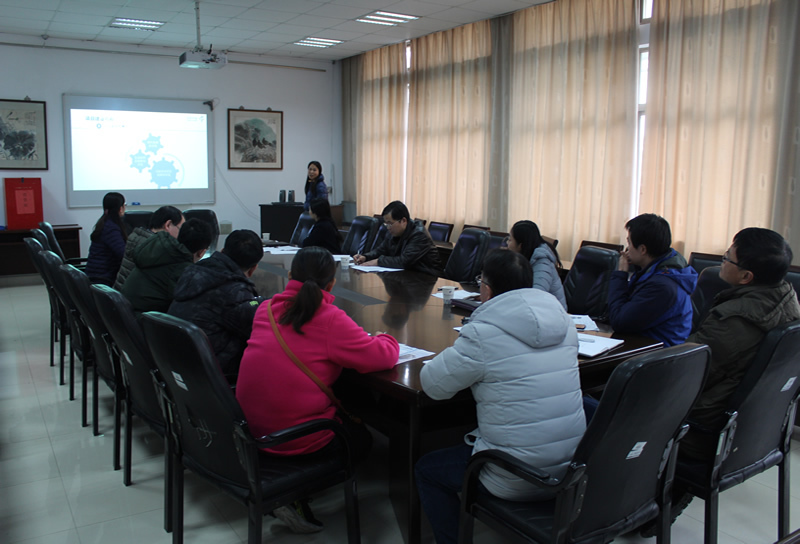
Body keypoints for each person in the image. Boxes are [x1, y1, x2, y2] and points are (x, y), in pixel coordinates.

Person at [416, 249, 586, 544]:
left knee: (426, 470)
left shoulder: (483, 334)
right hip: (570, 469)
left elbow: (433, 386)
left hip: (513, 476)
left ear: (486, 288)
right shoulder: (565, 325)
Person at [639, 227, 800, 538]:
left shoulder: (735, 321)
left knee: (618, 406)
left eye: (728, 257)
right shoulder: (787, 299)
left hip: (705, 428)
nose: (722, 260)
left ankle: (623, 504)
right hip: (760, 430)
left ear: (746, 277)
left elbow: (685, 374)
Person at [236, 246, 399, 532]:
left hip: (252, 429)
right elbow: (382, 357)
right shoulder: (330, 318)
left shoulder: (266, 309)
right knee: (361, 439)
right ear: (331, 284)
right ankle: (295, 492)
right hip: (295, 439)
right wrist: (386, 337)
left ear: (290, 276)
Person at [169, 229, 265, 384]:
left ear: (222, 251)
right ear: (253, 269)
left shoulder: (192, 272)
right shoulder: (233, 292)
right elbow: (257, 331)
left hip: (180, 369)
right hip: (213, 376)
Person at [606, 213, 697, 346]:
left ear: (643, 249)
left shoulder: (662, 286)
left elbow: (619, 321)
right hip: (641, 344)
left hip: (655, 353)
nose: (627, 249)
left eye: (629, 243)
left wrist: (621, 274)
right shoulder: (654, 271)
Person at [121, 218, 213, 313]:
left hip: (126, 312)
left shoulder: (159, 249)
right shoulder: (183, 271)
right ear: (201, 252)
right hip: (144, 318)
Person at [353, 200, 442, 276]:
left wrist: (378, 261)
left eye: (390, 223)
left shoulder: (419, 234)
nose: (388, 227)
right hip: (406, 276)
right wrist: (365, 257)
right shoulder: (393, 231)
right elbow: (381, 250)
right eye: (386, 224)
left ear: (403, 221)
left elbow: (404, 261)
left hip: (427, 278)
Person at [113, 206, 184, 291]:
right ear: (168, 225)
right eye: (181, 228)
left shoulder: (138, 237)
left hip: (119, 293)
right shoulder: (155, 248)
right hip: (132, 296)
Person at [507, 220, 567, 310]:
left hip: (553, 313)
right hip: (538, 310)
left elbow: (536, 297)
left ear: (520, 245)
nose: (507, 243)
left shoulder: (542, 263)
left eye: (510, 240)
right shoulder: (525, 259)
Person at [85, 192, 127, 286]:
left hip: (98, 274)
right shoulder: (111, 228)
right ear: (120, 208)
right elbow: (123, 254)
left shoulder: (104, 223)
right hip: (103, 279)